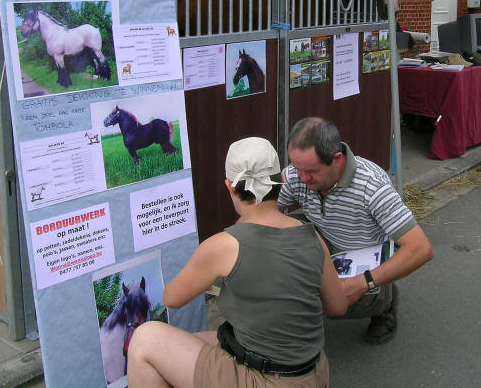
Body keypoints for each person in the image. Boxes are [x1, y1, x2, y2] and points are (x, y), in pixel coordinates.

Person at [128, 137, 347, 388]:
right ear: (281, 180)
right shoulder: (313, 238)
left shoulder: (224, 246)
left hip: (266, 379)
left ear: (230, 187)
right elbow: (338, 307)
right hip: (313, 373)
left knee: (146, 339)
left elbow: (172, 298)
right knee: (199, 339)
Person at [279, 117, 434, 345]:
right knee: (281, 234)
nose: (302, 178)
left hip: (364, 251)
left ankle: (385, 303)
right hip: (325, 238)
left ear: (337, 159)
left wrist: (362, 283)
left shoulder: (372, 186)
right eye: (297, 168)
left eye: (311, 171)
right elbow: (266, 213)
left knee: (339, 305)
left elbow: (421, 249)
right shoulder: (297, 174)